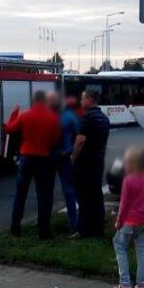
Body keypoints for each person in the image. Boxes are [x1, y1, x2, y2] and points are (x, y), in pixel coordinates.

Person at [6, 90, 62, 239]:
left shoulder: (25, 115)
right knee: (44, 196)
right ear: (45, 101)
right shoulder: (52, 117)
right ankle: (44, 232)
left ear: (33, 100)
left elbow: (10, 129)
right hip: (44, 159)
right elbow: (56, 139)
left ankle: (15, 228)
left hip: (26, 158)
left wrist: (14, 113)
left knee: (21, 194)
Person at [112, 147, 144, 288]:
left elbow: (124, 204)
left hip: (128, 221)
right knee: (143, 252)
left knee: (120, 246)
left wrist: (119, 221)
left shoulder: (128, 180)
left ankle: (125, 283)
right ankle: (142, 285)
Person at [71, 89, 111, 238]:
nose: (81, 102)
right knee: (96, 195)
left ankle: (83, 230)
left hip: (85, 163)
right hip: (98, 161)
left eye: (82, 99)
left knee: (83, 197)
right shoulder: (104, 118)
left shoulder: (87, 117)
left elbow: (80, 140)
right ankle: (97, 228)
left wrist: (73, 158)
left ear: (89, 99)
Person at [47, 92, 80, 232]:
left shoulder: (66, 116)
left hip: (58, 156)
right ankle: (46, 221)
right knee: (55, 190)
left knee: (65, 190)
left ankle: (73, 222)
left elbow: (80, 135)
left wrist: (71, 150)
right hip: (55, 156)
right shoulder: (65, 116)